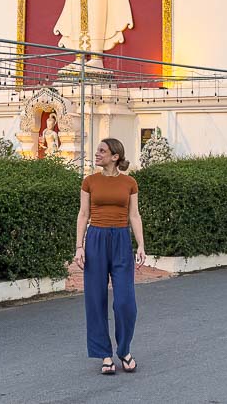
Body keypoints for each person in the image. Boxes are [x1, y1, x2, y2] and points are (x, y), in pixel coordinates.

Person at [74, 137, 146, 375]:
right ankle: (105, 354)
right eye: (97, 151)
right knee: (95, 299)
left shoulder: (129, 183)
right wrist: (79, 246)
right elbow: (83, 214)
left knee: (125, 302)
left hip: (121, 240)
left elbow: (134, 216)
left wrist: (141, 246)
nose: (97, 154)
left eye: (102, 151)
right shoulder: (89, 181)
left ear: (115, 156)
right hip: (95, 239)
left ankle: (124, 350)